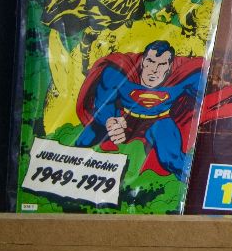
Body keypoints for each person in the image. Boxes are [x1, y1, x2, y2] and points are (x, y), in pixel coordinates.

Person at [75, 40, 205, 177]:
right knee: (84, 139)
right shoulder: (120, 70)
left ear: (169, 67)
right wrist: (109, 120)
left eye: (161, 64)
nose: (154, 69)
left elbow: (205, 94)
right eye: (150, 61)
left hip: (159, 121)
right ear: (143, 61)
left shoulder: (183, 75)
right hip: (124, 119)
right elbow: (104, 100)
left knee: (173, 158)